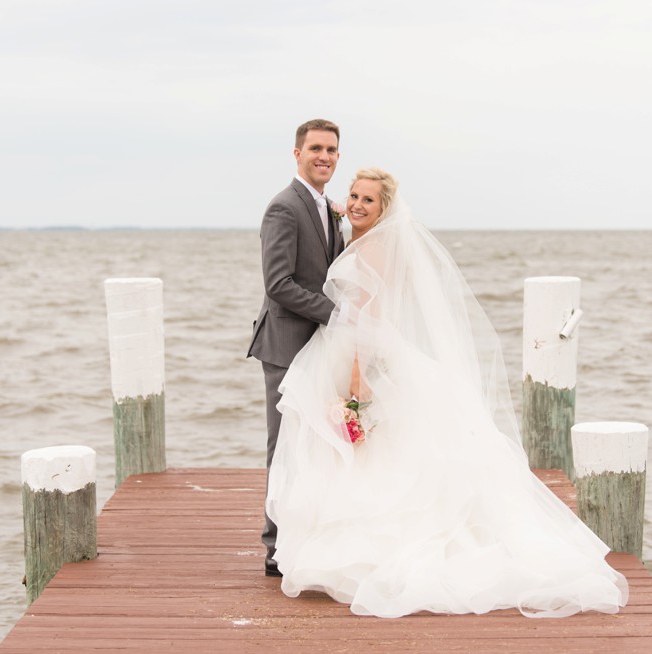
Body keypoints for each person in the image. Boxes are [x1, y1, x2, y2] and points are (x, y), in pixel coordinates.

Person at [265, 168, 629, 618]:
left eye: (368, 201)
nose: (356, 204)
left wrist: (357, 382)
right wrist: (339, 210)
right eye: (353, 196)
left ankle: (368, 552)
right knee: (374, 453)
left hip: (361, 355)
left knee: (373, 453)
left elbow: (368, 319)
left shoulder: (375, 250)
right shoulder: (371, 237)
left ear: (386, 209)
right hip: (363, 351)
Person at [247, 119, 346, 578]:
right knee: (283, 446)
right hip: (287, 346)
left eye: (331, 150)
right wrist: (336, 314)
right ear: (297, 153)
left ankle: (309, 536)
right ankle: (275, 549)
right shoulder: (284, 208)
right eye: (315, 149)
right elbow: (279, 284)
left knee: (316, 446)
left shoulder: (327, 208)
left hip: (319, 348)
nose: (324, 156)